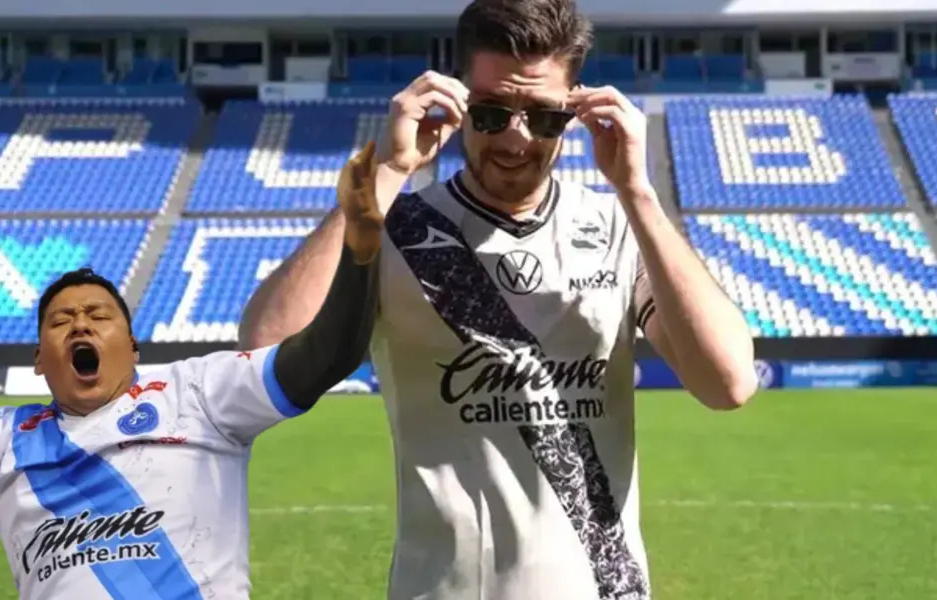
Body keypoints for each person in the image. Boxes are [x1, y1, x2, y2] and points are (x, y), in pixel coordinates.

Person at [239, 1, 760, 598]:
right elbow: (265, 348)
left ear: (575, 110)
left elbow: (728, 384)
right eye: (491, 112)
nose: (515, 138)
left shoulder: (617, 227)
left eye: (542, 117)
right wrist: (385, 170)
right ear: (456, 102)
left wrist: (638, 193)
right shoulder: (392, 229)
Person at [0, 144, 385, 599]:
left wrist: (360, 252)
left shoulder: (199, 394)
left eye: (98, 316)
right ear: (37, 359)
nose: (79, 326)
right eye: (60, 320)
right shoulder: (0, 442)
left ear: (133, 347)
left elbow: (325, 355)